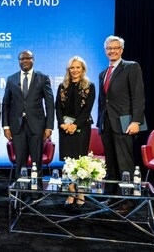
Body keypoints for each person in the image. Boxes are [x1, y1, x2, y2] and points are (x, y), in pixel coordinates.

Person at [97, 35, 145, 214]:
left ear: (122, 50)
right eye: (109, 48)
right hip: (107, 124)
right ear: (105, 50)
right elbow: (104, 101)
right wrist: (101, 122)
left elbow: (138, 96)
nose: (112, 51)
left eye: (116, 48)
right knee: (111, 164)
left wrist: (136, 121)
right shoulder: (103, 73)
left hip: (125, 123)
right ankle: (113, 197)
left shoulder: (131, 67)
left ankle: (128, 200)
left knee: (125, 164)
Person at [2, 50, 54, 179]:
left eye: (27, 58)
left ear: (33, 59)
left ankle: (36, 193)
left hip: (37, 126)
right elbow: (5, 104)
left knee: (37, 162)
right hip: (17, 127)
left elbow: (50, 104)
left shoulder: (43, 78)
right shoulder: (11, 79)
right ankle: (21, 192)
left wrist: (49, 126)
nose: (24, 61)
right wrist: (6, 126)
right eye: (21, 59)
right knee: (20, 162)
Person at [55, 56, 95, 209]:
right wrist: (62, 124)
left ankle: (81, 193)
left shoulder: (89, 86)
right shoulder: (62, 86)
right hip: (65, 128)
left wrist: (75, 125)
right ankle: (71, 193)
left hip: (82, 128)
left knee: (81, 162)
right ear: (68, 70)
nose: (75, 70)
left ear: (83, 69)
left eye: (78, 67)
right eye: (72, 67)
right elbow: (57, 107)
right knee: (67, 162)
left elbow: (87, 109)